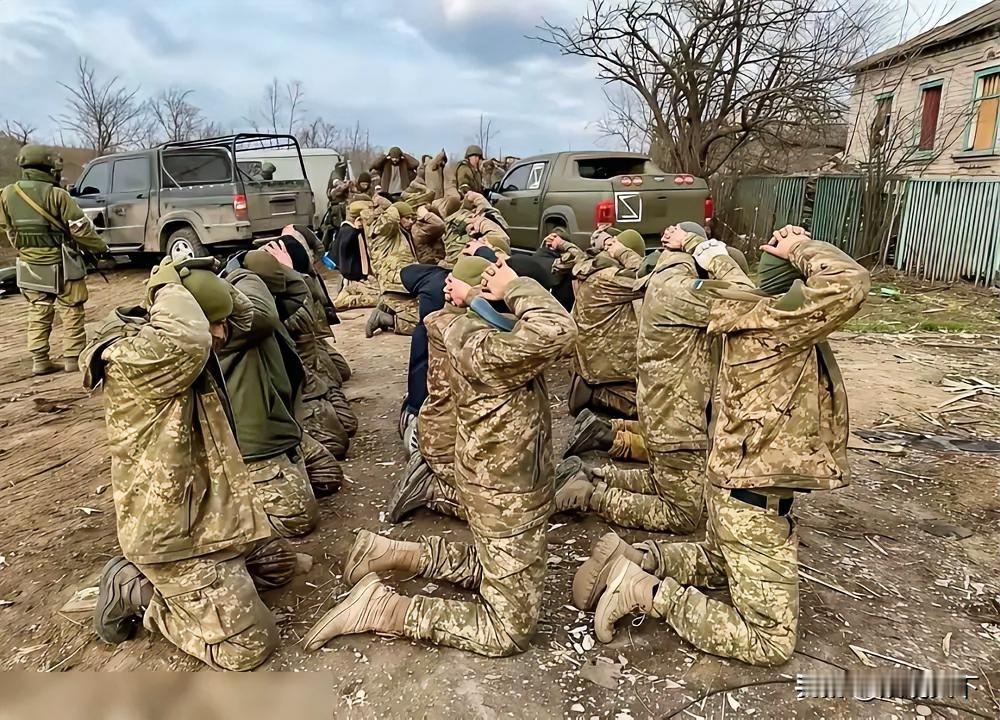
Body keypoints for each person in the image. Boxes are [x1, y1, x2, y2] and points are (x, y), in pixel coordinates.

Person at [586, 226, 870, 667]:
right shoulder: (778, 324)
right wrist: (800, 247)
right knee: (770, 642)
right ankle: (644, 591)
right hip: (751, 493)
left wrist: (709, 252)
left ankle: (638, 557)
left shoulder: (748, 310)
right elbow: (848, 283)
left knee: (720, 562)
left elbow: (739, 283)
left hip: (733, 482)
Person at [303, 257, 578, 657]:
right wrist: (514, 288)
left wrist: (482, 296)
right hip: (503, 494)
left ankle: (393, 553)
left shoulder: (482, 333)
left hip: (501, 486)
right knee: (510, 631)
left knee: (499, 566)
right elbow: (560, 329)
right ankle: (385, 608)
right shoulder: (485, 346)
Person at [83, 259, 299, 671]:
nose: (223, 333)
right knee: (250, 646)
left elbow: (250, 317)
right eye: (213, 322)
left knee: (279, 565)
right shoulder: (137, 357)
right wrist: (167, 284)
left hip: (206, 519)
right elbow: (190, 338)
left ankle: (203, 593)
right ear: (183, 312)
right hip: (171, 537)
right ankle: (133, 588)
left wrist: (206, 279)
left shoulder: (184, 345)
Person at [555, 223, 748, 538]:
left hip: (660, 411)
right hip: (678, 422)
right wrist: (712, 254)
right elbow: (745, 298)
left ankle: (589, 474)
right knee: (683, 514)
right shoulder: (683, 292)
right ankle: (591, 496)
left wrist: (614, 246)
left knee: (669, 480)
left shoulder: (662, 279)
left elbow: (638, 262)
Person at [219, 260, 322, 536]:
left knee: (326, 476)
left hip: (281, 428)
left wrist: (278, 267)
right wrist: (242, 272)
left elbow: (298, 293)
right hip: (253, 445)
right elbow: (262, 313)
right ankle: (231, 522)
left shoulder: (244, 317)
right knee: (299, 520)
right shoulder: (222, 329)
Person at [0, 144, 108, 375]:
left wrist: (25, 249)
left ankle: (40, 360)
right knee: (71, 310)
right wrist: (100, 247)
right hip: (63, 263)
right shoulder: (57, 194)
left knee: (38, 310)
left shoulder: (8, 193)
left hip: (30, 263)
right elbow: (80, 229)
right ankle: (73, 358)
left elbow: (8, 229)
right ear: (49, 166)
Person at [242, 249, 352, 460]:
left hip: (309, 390)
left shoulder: (278, 312)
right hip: (308, 392)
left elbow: (301, 291)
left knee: (339, 434)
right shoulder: (272, 312)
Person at [549, 227, 646, 419]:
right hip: (610, 373)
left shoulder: (590, 268)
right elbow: (646, 276)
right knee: (659, 415)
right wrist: (621, 250)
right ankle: (600, 402)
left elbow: (577, 252)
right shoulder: (609, 278)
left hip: (590, 363)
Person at [363, 199, 420, 337]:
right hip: (397, 284)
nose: (411, 222)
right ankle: (384, 318)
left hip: (398, 283)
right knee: (420, 325)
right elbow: (391, 218)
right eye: (407, 218)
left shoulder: (397, 232)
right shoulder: (388, 229)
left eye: (413, 218)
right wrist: (393, 207)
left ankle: (385, 307)